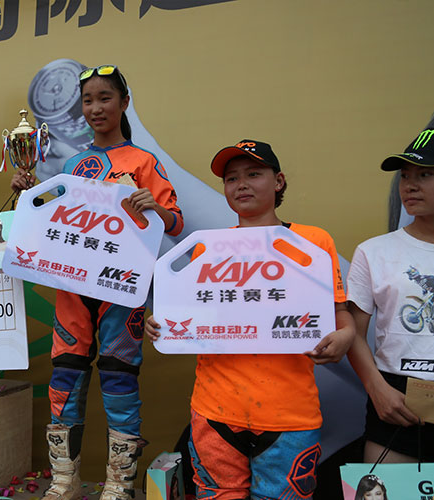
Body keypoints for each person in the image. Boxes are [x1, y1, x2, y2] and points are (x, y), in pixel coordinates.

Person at [146, 140, 355, 499]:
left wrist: (346, 335)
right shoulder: (206, 247)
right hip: (214, 410)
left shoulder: (313, 242)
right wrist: (161, 324)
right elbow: (190, 317)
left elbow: (340, 315)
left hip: (290, 415)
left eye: (254, 174)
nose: (241, 184)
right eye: (231, 178)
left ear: (278, 181)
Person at [11, 65, 183, 500]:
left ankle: (118, 484)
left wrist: (155, 208)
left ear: (124, 103)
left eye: (105, 98)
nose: (95, 108)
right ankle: (63, 481)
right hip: (73, 289)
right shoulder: (71, 165)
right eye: (88, 100)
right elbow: (46, 221)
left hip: (121, 289)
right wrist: (27, 194)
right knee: (65, 376)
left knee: (119, 377)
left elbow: (176, 223)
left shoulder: (143, 162)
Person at [346, 127, 434, 464]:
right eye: (405, 175)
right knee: (383, 486)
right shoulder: (374, 252)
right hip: (395, 400)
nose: (409, 185)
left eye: (424, 174)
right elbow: (352, 333)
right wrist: (377, 388)